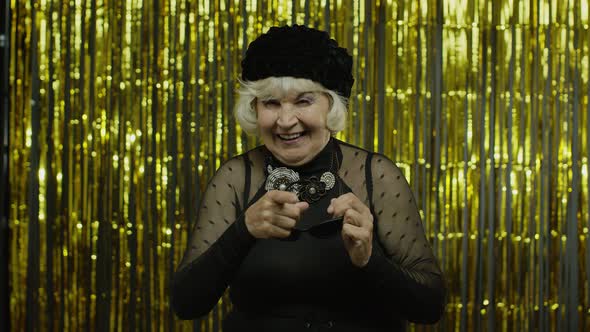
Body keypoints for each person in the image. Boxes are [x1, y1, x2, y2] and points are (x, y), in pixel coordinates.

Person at [171, 25, 446, 331]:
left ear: (332, 105)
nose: (286, 121)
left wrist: (371, 260)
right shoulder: (236, 179)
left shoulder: (375, 176)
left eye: (303, 101)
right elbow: (186, 304)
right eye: (271, 103)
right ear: (254, 108)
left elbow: (430, 307)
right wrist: (243, 230)